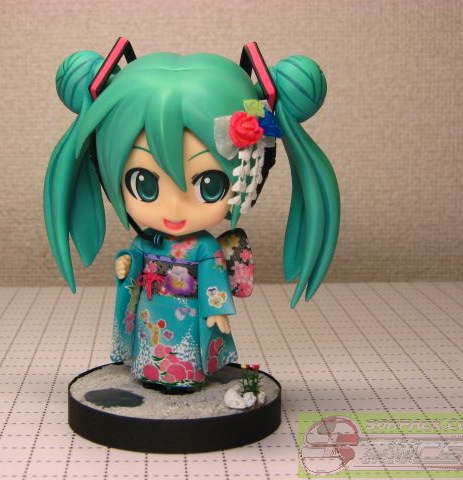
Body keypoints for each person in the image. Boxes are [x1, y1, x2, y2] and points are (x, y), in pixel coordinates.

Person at [44, 44, 339, 390]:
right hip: (152, 311)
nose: (174, 208)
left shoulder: (204, 248)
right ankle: (149, 372)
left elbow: (213, 278)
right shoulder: (146, 241)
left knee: (184, 351)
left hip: (188, 312)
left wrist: (217, 309)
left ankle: (184, 378)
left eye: (209, 186)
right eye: (145, 184)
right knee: (151, 348)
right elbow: (134, 265)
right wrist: (127, 264)